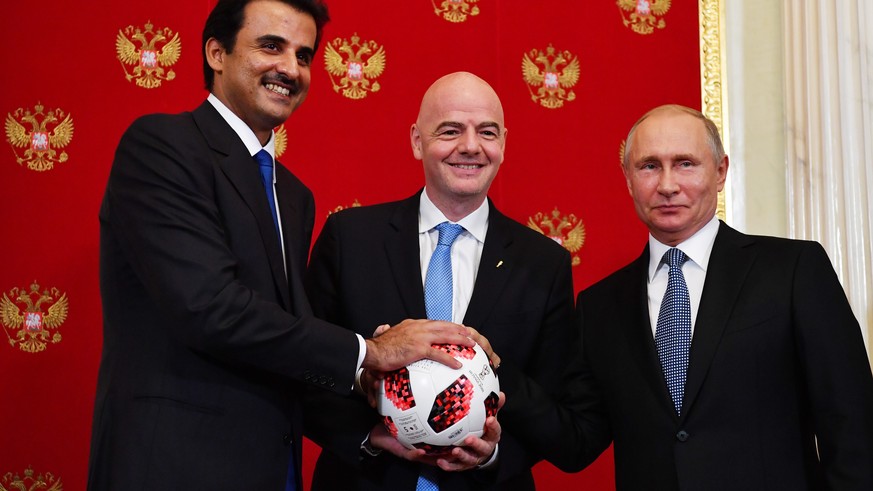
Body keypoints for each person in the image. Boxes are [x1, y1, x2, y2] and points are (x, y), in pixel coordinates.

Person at [87, 1, 474, 489]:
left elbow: (286, 335)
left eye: (304, 55)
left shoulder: (293, 196)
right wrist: (369, 352)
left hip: (274, 469)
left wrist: (376, 400)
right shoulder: (163, 147)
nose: (290, 69)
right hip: (174, 465)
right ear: (216, 53)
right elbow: (211, 308)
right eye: (271, 46)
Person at [303, 71, 586, 490]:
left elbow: (558, 415)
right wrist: (369, 432)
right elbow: (303, 366)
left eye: (486, 132)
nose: (470, 147)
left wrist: (493, 454)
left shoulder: (544, 264)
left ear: (503, 144)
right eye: (450, 130)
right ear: (417, 141)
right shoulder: (350, 239)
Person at [573, 104, 873, 489]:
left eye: (685, 163)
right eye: (649, 166)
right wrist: (495, 375)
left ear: (720, 172)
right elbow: (579, 439)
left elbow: (851, 425)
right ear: (629, 180)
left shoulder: (793, 270)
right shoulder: (599, 307)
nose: (667, 185)